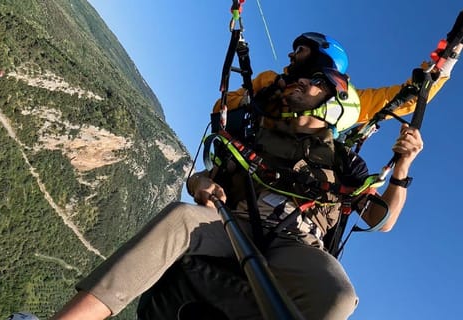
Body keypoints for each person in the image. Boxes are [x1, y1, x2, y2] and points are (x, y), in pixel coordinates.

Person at [52, 56, 425, 319]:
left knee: (338, 298)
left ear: (335, 103)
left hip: (297, 244)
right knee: (182, 218)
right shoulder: (260, 134)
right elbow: (204, 175)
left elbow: (383, 219)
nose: (300, 82)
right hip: (236, 224)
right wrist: (201, 186)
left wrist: (402, 167)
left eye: (314, 83)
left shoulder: (346, 163)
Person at [216, 4, 463, 133]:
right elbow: (220, 110)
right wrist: (259, 97)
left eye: (300, 49)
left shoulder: (346, 103)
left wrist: (455, 43)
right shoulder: (268, 79)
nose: (291, 53)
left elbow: (408, 98)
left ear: (320, 58)